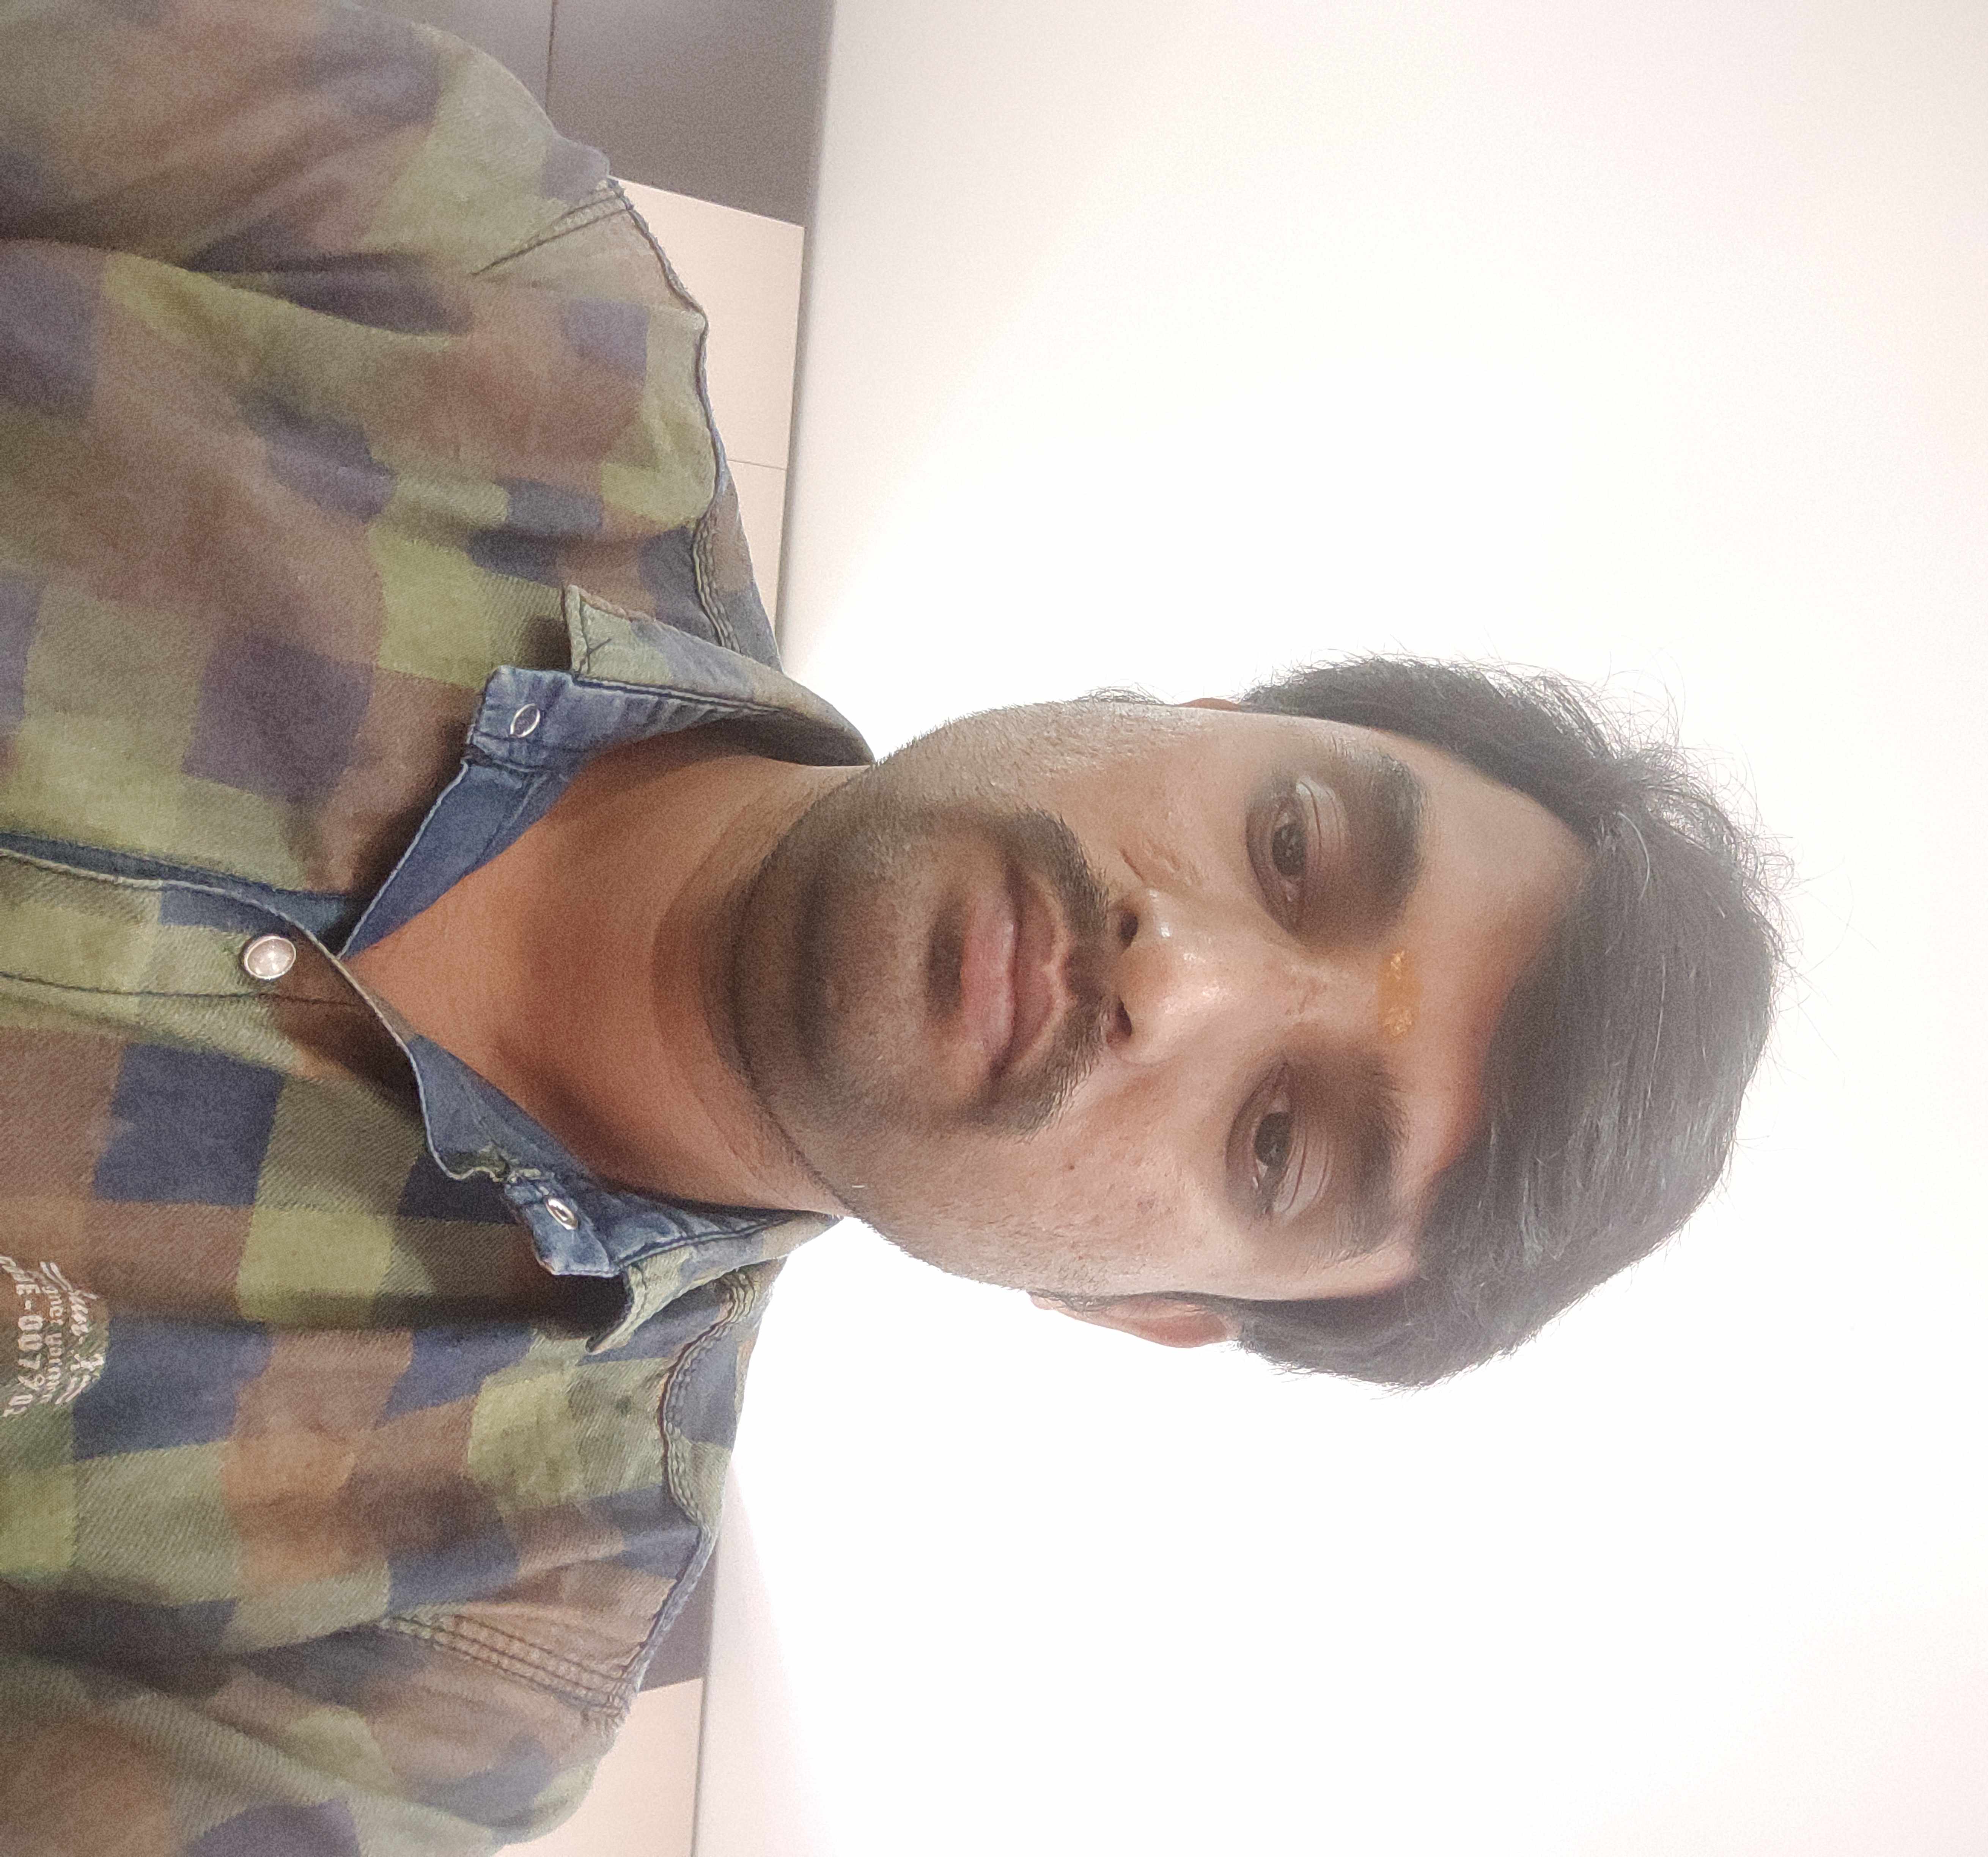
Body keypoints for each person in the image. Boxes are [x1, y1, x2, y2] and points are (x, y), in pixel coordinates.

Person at [0, 1, 1781, 1850]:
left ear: (1143, 1313)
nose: (1178, 973)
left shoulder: (447, 1674)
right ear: (1190, 716)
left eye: (1278, 1139)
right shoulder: (489, 269)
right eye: (1290, 843)